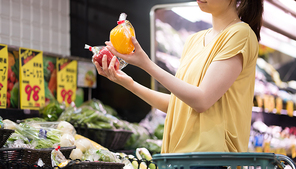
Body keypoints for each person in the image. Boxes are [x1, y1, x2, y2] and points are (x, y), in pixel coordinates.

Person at [93, 0, 263, 154]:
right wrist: (129, 84)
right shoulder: (193, 41)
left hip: (213, 159)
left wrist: (145, 63)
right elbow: (178, 106)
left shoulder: (240, 34)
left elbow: (202, 100)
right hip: (177, 157)